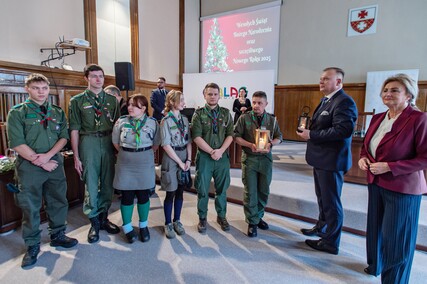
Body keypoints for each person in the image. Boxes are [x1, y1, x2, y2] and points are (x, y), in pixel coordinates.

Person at [358, 74, 427, 282]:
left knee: (397, 242)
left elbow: (424, 157)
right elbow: (366, 147)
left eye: (395, 90)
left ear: (408, 95)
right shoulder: (378, 117)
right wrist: (363, 159)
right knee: (376, 233)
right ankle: (375, 266)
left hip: (402, 188)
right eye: (385, 90)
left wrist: (391, 166)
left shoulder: (418, 119)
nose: (388, 94)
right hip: (376, 184)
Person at [7, 73, 78, 268]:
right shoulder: (17, 112)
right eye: (36, 88)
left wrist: (48, 157)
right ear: (27, 89)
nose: (41, 92)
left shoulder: (56, 111)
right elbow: (17, 143)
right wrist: (41, 162)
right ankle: (32, 245)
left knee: (58, 201)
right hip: (30, 166)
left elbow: (63, 137)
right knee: (30, 207)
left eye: (44, 88)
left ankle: (58, 235)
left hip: (54, 163)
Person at [296, 67, 357, 255]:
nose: (321, 82)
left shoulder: (344, 102)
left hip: (332, 161)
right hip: (321, 159)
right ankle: (322, 228)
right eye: (320, 78)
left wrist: (311, 134)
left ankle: (331, 242)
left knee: (331, 203)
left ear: (338, 82)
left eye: (326, 79)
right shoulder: (327, 100)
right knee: (322, 199)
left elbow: (343, 131)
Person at [68, 64, 121, 244]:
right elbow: (74, 130)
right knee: (90, 182)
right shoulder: (77, 101)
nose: (98, 80)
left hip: (107, 142)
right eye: (94, 76)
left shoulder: (113, 101)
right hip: (88, 142)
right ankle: (94, 222)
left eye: (101, 76)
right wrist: (76, 156)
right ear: (86, 79)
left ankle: (104, 218)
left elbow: (117, 127)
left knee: (107, 182)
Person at [112, 94, 160, 243]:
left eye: (134, 105)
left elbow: (156, 143)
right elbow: (115, 142)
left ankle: (143, 226)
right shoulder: (121, 121)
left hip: (145, 162)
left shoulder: (153, 123)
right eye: (129, 104)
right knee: (127, 196)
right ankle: (127, 227)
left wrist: (142, 153)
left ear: (144, 108)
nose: (130, 107)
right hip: (126, 163)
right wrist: (129, 152)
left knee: (143, 195)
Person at [234, 91, 282, 237]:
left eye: (260, 103)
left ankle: (259, 216)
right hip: (250, 159)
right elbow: (236, 136)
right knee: (250, 191)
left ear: (266, 104)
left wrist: (270, 143)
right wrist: (250, 144)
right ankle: (252, 221)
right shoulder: (244, 118)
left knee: (263, 190)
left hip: (266, 160)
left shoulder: (272, 120)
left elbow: (279, 137)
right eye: (254, 102)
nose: (256, 105)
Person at [191, 82, 234, 233]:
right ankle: (202, 218)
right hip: (205, 158)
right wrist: (212, 151)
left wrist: (221, 151)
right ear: (204, 95)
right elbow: (196, 137)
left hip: (222, 158)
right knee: (202, 189)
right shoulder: (198, 114)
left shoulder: (226, 113)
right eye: (210, 94)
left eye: (215, 94)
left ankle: (221, 216)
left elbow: (230, 135)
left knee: (222, 189)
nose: (213, 97)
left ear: (219, 95)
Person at [160, 90, 192, 239]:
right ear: (172, 102)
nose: (184, 102)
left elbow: (189, 142)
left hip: (184, 156)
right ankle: (168, 223)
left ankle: (177, 221)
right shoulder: (166, 121)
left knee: (180, 191)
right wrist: (180, 162)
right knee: (170, 192)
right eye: (181, 100)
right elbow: (166, 145)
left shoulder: (185, 120)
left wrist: (188, 160)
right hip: (171, 158)